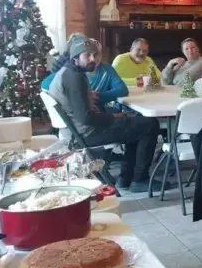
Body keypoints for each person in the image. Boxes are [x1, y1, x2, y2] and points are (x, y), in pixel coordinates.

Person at [47, 36, 162, 192]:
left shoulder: (67, 72)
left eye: (94, 55)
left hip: (79, 131)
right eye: (87, 55)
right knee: (150, 124)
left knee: (137, 125)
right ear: (75, 57)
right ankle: (139, 179)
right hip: (86, 134)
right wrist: (114, 117)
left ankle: (126, 177)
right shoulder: (75, 78)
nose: (92, 59)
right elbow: (86, 118)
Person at [43, 39, 128, 111]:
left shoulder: (107, 69)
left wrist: (98, 96)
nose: (93, 59)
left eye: (96, 54)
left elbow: (122, 90)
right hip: (82, 115)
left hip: (100, 112)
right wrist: (83, 96)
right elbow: (45, 83)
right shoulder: (74, 72)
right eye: (88, 55)